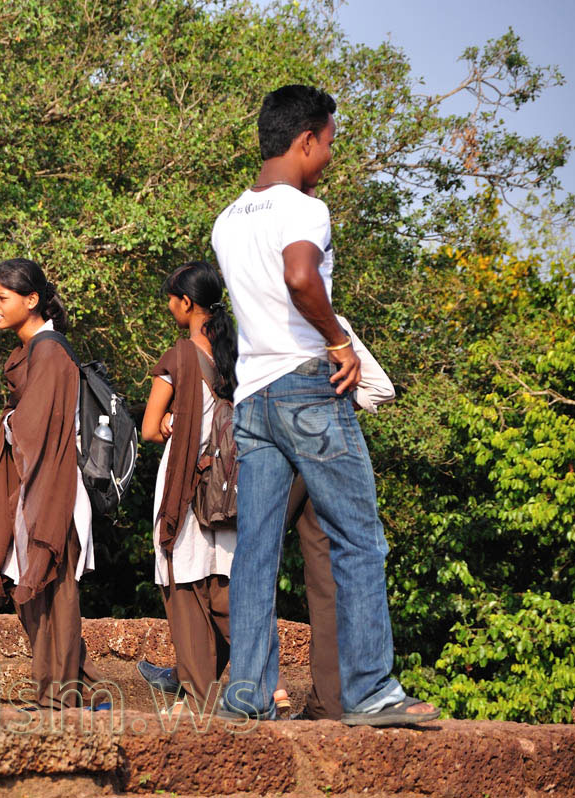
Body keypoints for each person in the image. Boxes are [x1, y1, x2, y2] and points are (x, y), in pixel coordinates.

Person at [210, 84, 439, 726]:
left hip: (251, 399)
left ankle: (248, 693)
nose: (330, 156)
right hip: (306, 386)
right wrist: (340, 341)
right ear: (306, 138)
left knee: (255, 547)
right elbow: (300, 277)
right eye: (330, 142)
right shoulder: (305, 210)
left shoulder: (226, 220)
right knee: (357, 535)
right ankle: (370, 690)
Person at [136, 261, 342, 720]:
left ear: (187, 304)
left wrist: (170, 423)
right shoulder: (239, 353)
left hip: (188, 486)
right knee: (227, 586)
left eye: (172, 298)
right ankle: (271, 685)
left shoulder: (180, 356)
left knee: (185, 587)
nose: (169, 306)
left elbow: (151, 428)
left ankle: (198, 698)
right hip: (233, 487)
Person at [0, 257, 102, 710]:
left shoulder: (49, 350)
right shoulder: (34, 351)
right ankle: (85, 692)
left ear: (31, 300)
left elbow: (34, 427)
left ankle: (63, 697)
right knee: (30, 590)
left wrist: (10, 419)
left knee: (56, 590)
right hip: (37, 482)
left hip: (55, 486)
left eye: (1, 298)